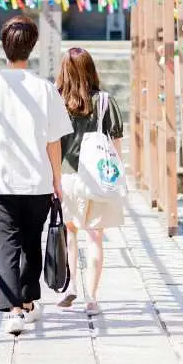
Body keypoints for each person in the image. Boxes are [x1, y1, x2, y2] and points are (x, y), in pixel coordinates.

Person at [0, 15, 73, 335]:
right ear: (31, 48)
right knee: (32, 243)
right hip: (36, 180)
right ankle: (27, 302)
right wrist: (57, 179)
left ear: (3, 47)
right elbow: (54, 142)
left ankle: (14, 310)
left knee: (6, 244)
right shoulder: (45, 90)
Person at [54, 47, 125, 316]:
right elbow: (116, 145)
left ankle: (71, 283)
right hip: (96, 178)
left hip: (67, 177)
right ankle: (92, 298)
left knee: (69, 233)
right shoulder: (106, 101)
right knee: (95, 238)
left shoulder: (57, 102)